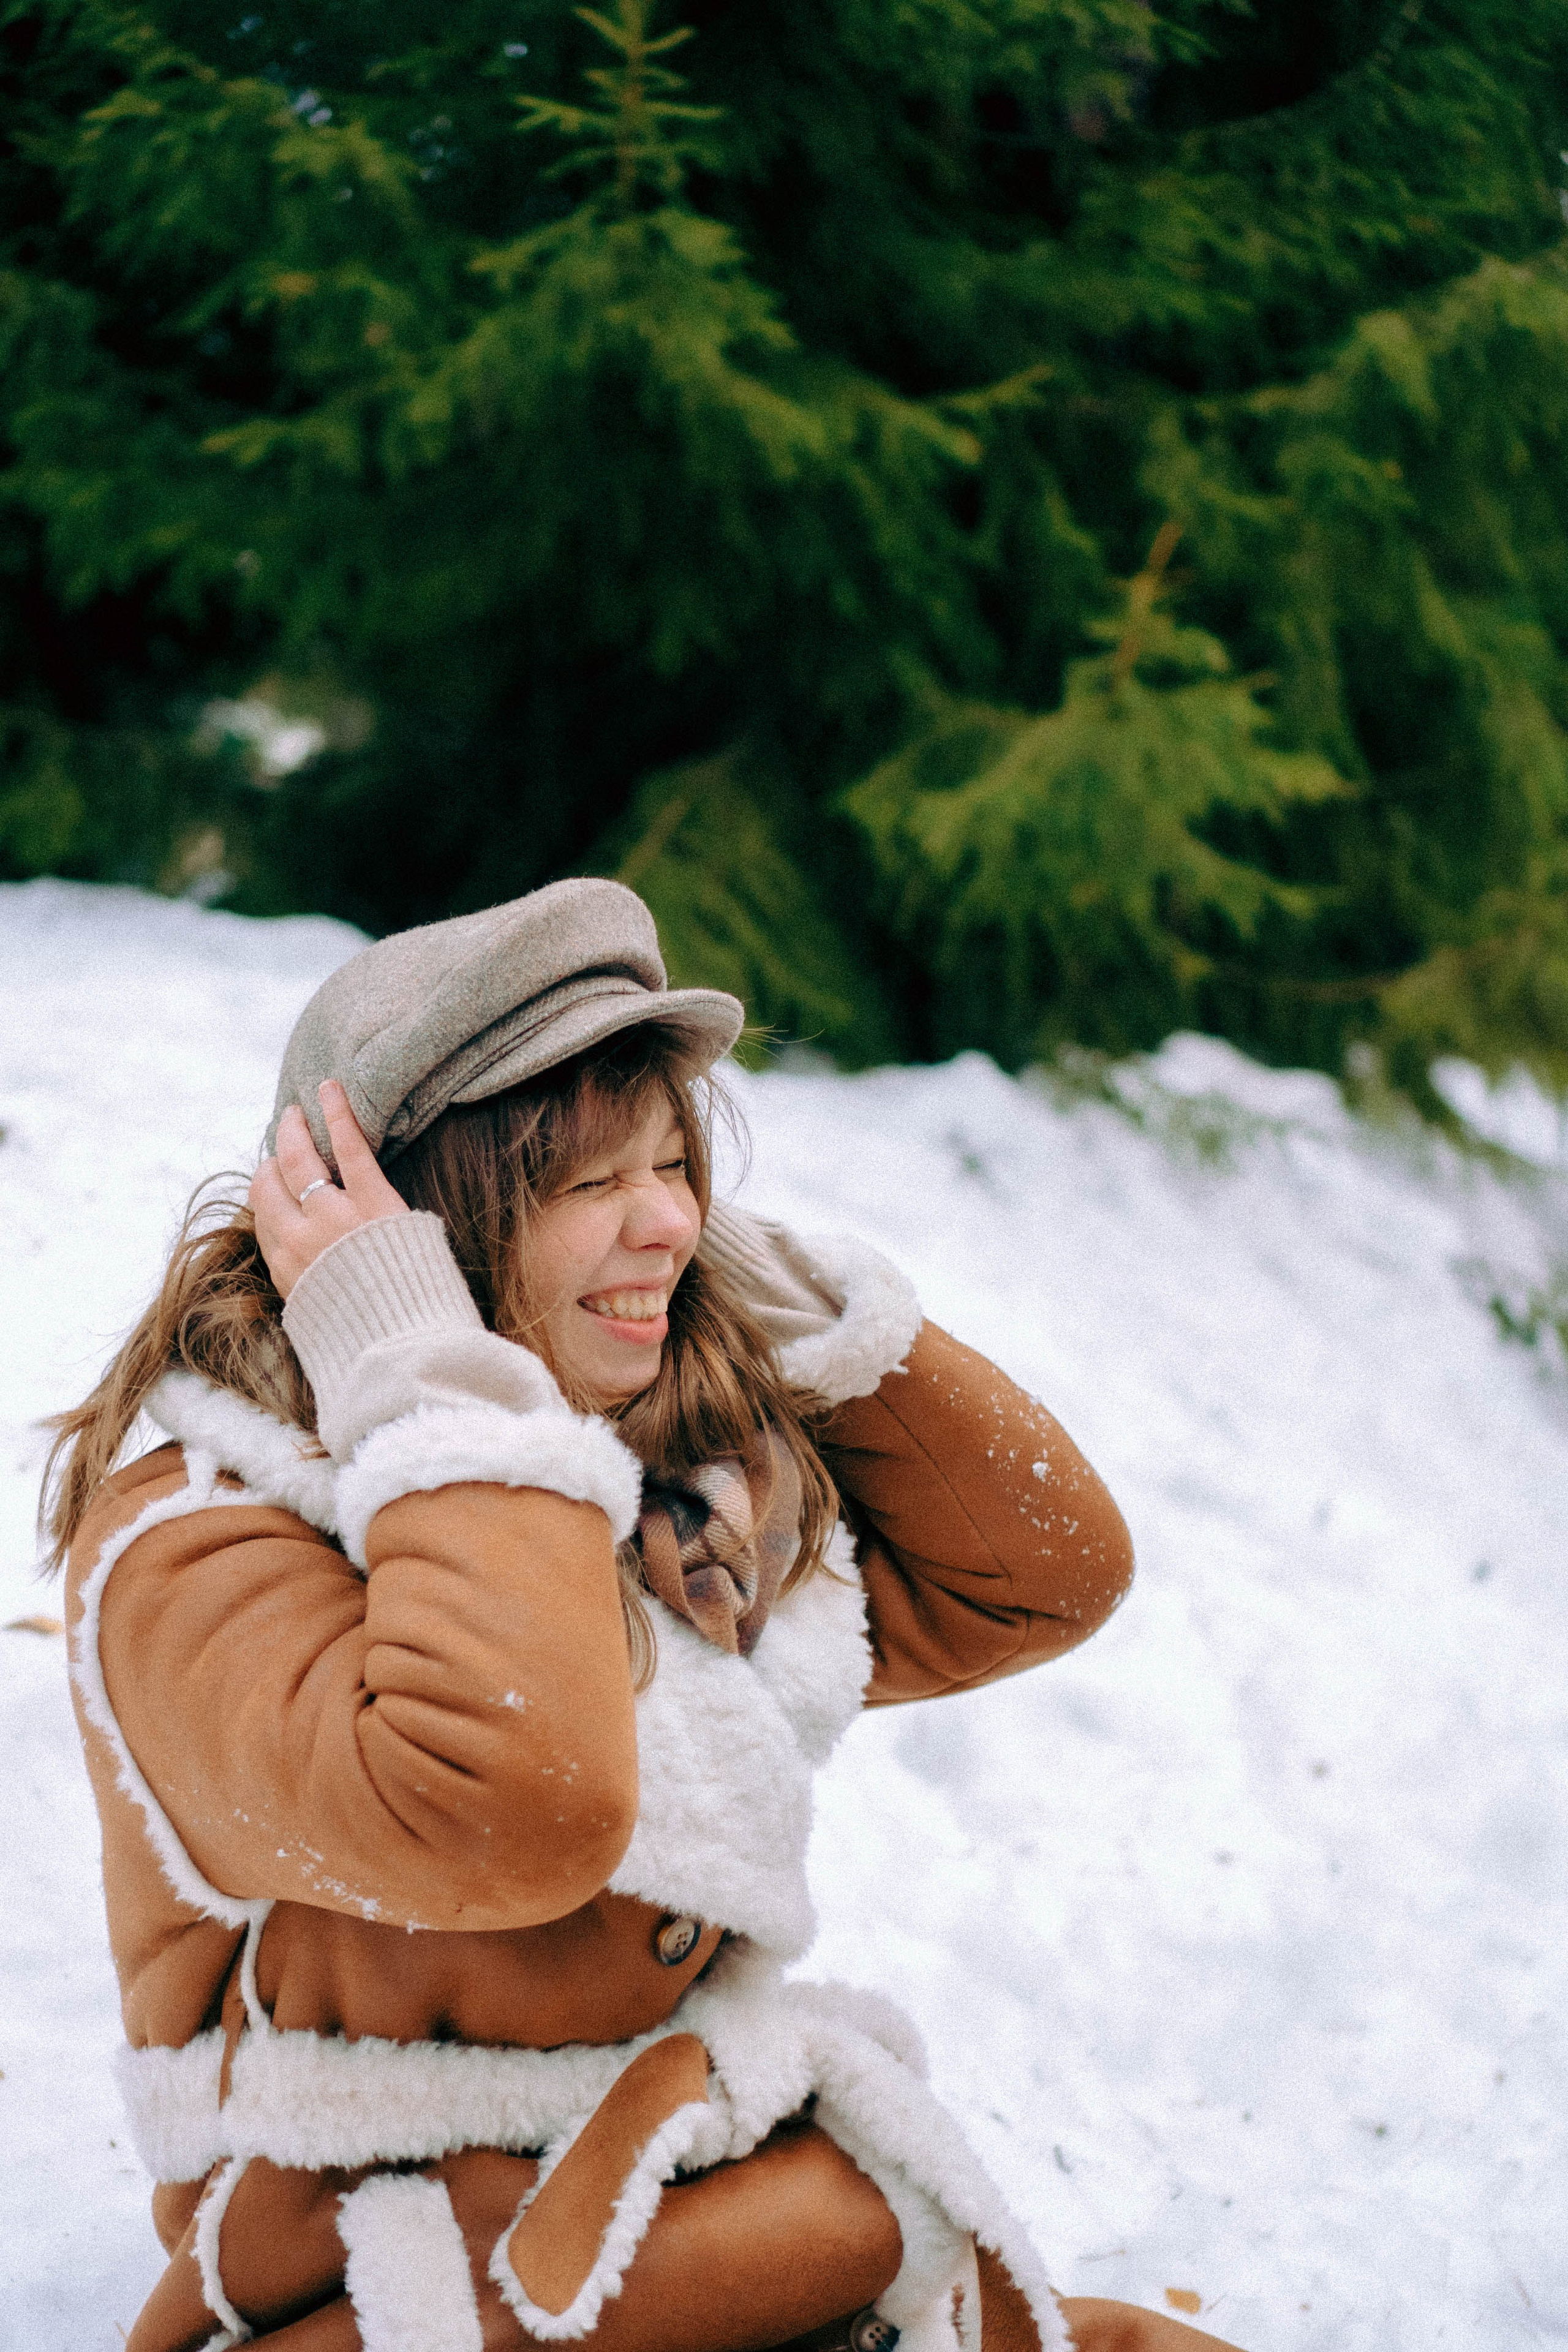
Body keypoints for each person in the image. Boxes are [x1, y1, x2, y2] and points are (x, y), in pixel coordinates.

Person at [45, 878, 1244, 2352]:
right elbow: (516, 1808)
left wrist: (772, 1296)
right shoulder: (199, 1537)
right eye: (588, 1183)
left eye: (679, 1167)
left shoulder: (670, 1499)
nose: (669, 1221)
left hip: (720, 2226)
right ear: (409, 1228)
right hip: (407, 2283)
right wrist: (429, 1379)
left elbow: (1036, 1573)